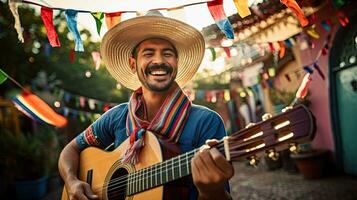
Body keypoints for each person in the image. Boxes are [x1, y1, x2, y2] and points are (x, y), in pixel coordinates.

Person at [58, 13, 234, 200]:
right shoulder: (117, 116)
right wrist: (72, 181)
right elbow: (70, 150)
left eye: (167, 53)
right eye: (149, 53)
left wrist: (211, 191)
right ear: (133, 64)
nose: (159, 61)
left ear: (176, 63)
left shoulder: (206, 122)